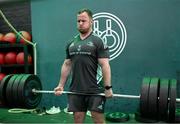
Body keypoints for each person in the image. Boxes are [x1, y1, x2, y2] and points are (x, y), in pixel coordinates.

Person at [54, 8, 113, 123]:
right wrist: (61, 85)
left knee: (99, 121)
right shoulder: (71, 42)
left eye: (84, 21)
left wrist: (107, 87)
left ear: (91, 22)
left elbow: (105, 65)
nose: (80, 23)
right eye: (78, 21)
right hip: (76, 90)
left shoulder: (98, 41)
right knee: (78, 120)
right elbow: (67, 64)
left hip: (95, 89)